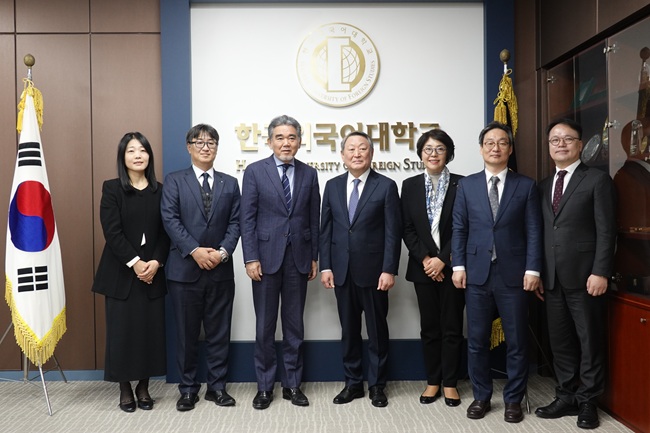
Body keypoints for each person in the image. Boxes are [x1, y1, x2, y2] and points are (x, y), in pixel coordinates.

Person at [451, 121, 542, 423]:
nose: (495, 147)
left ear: (510, 149)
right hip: (476, 274)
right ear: (481, 149)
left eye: (502, 142)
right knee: (476, 340)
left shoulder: (525, 186)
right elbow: (459, 228)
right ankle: (481, 396)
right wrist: (458, 265)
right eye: (489, 143)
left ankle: (513, 399)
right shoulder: (467, 186)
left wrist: (533, 269)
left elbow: (533, 230)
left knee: (517, 340)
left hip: (514, 274)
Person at [535, 119, 616, 430]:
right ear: (549, 146)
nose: (561, 144)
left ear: (580, 144)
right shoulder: (544, 185)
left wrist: (600, 271)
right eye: (555, 140)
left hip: (586, 278)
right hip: (552, 278)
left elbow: (607, 231)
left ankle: (588, 401)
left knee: (589, 341)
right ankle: (566, 395)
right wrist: (539, 272)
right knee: (560, 342)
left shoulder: (597, 180)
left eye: (567, 139)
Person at [240, 115, 320, 410]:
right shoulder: (255, 171)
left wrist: (314, 256)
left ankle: (292, 384)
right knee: (264, 326)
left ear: (299, 141)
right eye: (280, 137)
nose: (286, 143)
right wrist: (250, 257)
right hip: (264, 259)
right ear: (270, 141)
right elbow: (247, 219)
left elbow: (314, 218)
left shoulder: (309, 173)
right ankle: (264, 387)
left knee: (294, 325)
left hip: (298, 258)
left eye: (292, 137)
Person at [161, 124, 241, 411]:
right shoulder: (174, 181)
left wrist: (222, 253)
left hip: (220, 270)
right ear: (189, 147)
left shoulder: (230, 183)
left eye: (211, 143)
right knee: (187, 334)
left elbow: (236, 222)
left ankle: (217, 387)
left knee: (219, 332)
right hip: (184, 272)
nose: (206, 147)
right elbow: (170, 219)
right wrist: (195, 250)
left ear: (217, 148)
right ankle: (188, 389)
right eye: (199, 142)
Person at [319, 131, 401, 408]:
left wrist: (389, 269)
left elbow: (393, 232)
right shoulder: (332, 186)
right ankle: (352, 383)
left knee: (377, 331)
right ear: (342, 155)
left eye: (362, 148)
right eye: (351, 149)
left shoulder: (386, 186)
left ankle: (377, 386)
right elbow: (325, 230)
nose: (357, 153)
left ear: (371, 153)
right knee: (349, 331)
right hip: (341, 272)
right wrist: (326, 266)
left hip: (375, 272)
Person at [92, 132, 170, 413]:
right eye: (131, 151)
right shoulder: (112, 188)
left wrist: (156, 262)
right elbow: (112, 232)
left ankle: (143, 387)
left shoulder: (161, 190)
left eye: (143, 150)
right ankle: (125, 388)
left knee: (149, 332)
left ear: (149, 155)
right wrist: (136, 262)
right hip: (121, 274)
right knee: (122, 333)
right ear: (122, 157)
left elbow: (166, 232)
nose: (138, 155)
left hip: (153, 273)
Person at [400, 129, 465, 407]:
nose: (433, 154)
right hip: (423, 268)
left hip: (453, 268)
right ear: (420, 154)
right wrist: (427, 259)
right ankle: (433, 381)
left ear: (448, 153)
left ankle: (450, 383)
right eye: (428, 149)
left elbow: (465, 226)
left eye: (440, 149)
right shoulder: (410, 185)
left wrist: (443, 259)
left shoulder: (463, 184)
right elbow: (407, 228)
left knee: (452, 326)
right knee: (429, 327)